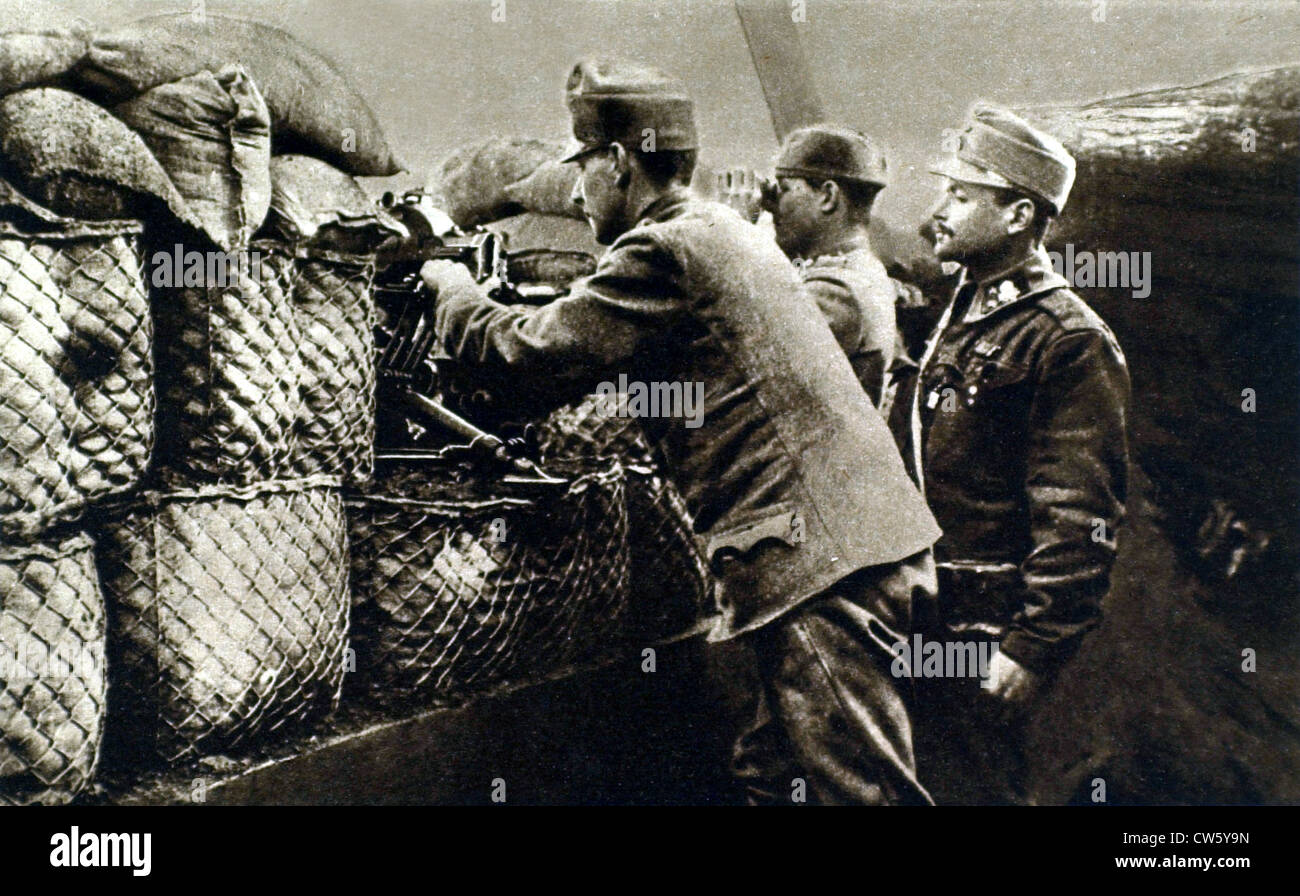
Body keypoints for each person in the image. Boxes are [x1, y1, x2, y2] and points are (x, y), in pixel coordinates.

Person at [420, 58, 942, 805]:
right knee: (772, 776)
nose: (576, 188)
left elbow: (534, 353)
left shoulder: (661, 250)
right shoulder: (721, 231)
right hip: (851, 548)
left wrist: (454, 290)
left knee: (859, 795)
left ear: (620, 164)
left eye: (585, 166)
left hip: (820, 570)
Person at [911, 103, 1130, 803]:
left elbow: (1080, 512)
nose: (939, 208)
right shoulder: (969, 309)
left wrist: (1032, 646)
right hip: (926, 608)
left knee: (971, 787)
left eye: (960, 194)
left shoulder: (1066, 339)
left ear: (1017, 216)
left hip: (983, 621)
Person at [761, 125, 898, 406]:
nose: (774, 207)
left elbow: (735, 357)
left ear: (827, 196)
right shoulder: (857, 270)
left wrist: (738, 234)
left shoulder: (838, 292)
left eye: (784, 190)